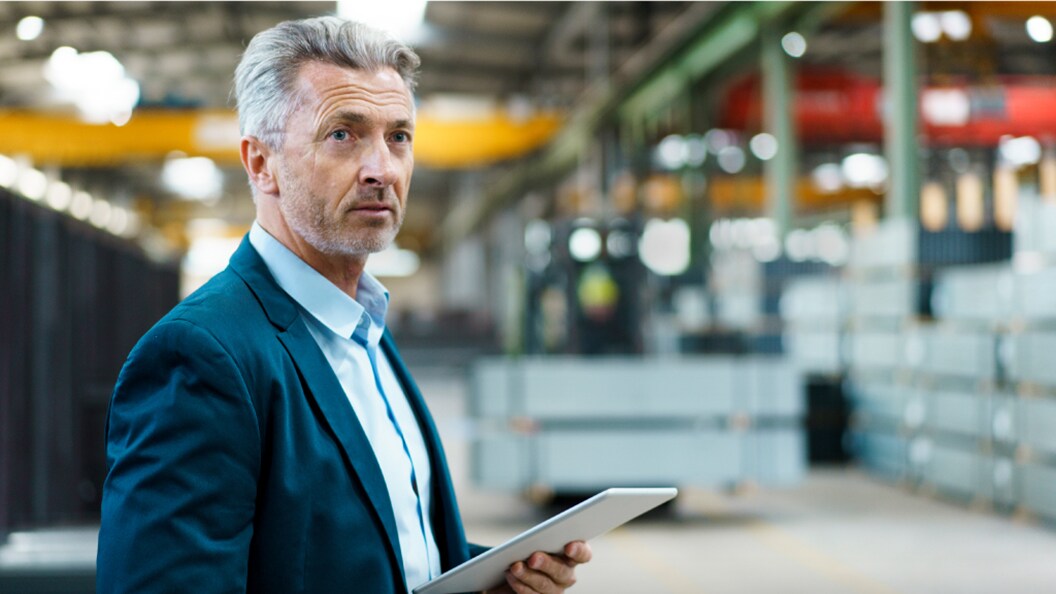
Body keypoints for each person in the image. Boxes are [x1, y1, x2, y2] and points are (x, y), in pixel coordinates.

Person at [96, 16, 591, 594]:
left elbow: (372, 549)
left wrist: (489, 579)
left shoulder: (365, 330)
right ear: (261, 163)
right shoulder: (201, 356)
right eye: (342, 134)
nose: (382, 169)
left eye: (398, 137)